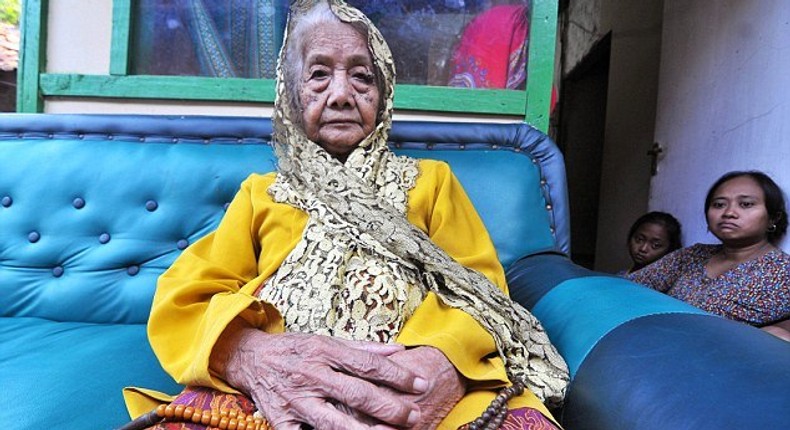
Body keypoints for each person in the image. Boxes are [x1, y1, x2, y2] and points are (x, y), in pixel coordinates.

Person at [122, 1, 569, 429]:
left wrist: (440, 363)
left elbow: (480, 291)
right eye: (319, 75)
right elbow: (187, 296)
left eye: (361, 76)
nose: (340, 95)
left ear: (383, 92)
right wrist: (249, 355)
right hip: (277, 391)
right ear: (292, 94)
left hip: (407, 384)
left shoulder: (430, 181)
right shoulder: (263, 193)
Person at [628, 171, 790, 341]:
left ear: (773, 218)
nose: (729, 213)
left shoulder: (782, 272)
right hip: (655, 344)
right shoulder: (693, 255)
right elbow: (632, 285)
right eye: (719, 205)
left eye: (746, 204)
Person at [619, 211, 682, 275]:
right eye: (639, 239)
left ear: (670, 250)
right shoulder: (621, 276)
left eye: (655, 245)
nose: (643, 249)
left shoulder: (664, 283)